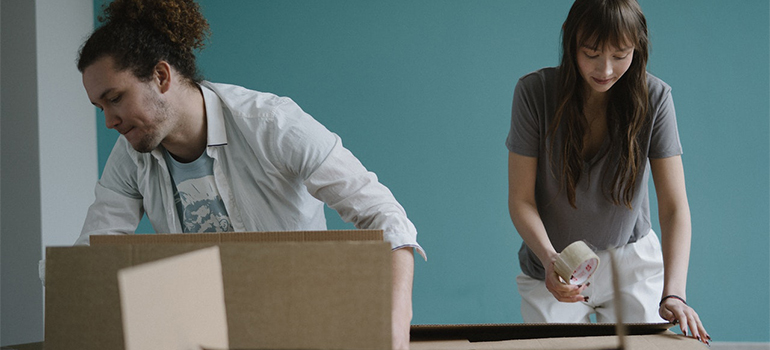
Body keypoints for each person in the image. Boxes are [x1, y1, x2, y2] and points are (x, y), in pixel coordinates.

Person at [73, 0, 424, 348]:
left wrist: (393, 325)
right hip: (199, 335)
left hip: (298, 327)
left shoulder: (272, 124)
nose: (109, 121)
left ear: (161, 76)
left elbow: (385, 217)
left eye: (115, 98)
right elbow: (90, 259)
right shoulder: (128, 157)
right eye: (100, 107)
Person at [506, 0, 709, 344]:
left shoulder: (655, 98)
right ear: (571, 45)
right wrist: (552, 260)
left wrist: (674, 292)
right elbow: (521, 200)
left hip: (631, 261)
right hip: (556, 262)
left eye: (620, 55)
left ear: (637, 49)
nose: (605, 69)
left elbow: (674, 208)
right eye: (591, 53)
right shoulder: (534, 93)